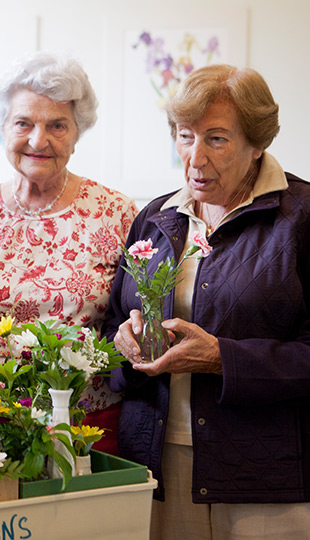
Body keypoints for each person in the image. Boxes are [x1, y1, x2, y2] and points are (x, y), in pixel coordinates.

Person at [106, 64, 310, 539]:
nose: (195, 158)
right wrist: (124, 345)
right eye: (184, 136)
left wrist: (223, 359)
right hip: (156, 464)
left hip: (265, 474)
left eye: (216, 139)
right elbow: (115, 319)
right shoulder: (156, 217)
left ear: (257, 142)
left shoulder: (300, 218)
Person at [0, 52, 138, 453]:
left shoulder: (117, 212)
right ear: (2, 128)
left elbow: (135, 321)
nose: (37, 140)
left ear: (77, 132)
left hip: (91, 425)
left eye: (57, 125)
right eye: (23, 123)